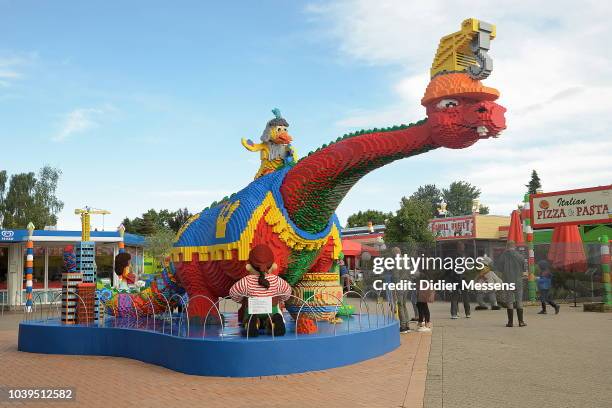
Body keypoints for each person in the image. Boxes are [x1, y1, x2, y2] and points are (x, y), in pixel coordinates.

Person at [229, 244, 292, 337]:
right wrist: (280, 299)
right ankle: (273, 322)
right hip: (271, 309)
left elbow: (233, 293)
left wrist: (242, 300)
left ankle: (252, 322)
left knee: (249, 315)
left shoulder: (245, 281)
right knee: (276, 313)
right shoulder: (277, 281)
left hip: (253, 309)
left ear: (249, 266)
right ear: (273, 266)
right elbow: (288, 292)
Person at [495, 240, 527, 327]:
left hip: (508, 281)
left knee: (509, 301)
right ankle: (521, 322)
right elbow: (524, 269)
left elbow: (499, 268)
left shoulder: (503, 256)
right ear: (514, 247)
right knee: (519, 301)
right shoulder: (520, 256)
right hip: (518, 282)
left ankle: (510, 322)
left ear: (507, 247)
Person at [389, 247, 412, 333]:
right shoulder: (407, 260)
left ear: (395, 253)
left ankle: (403, 327)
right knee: (404, 304)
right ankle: (407, 325)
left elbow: (395, 275)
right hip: (407, 284)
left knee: (400, 305)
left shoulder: (396, 262)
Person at [448, 241, 471, 319]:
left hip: (456, 278)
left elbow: (450, 268)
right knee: (465, 296)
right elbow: (466, 268)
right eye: (462, 246)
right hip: (461, 278)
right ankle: (467, 313)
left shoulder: (453, 256)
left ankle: (454, 313)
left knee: (455, 296)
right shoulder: (464, 256)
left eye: (463, 246)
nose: (463, 247)